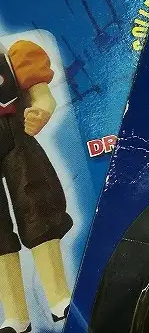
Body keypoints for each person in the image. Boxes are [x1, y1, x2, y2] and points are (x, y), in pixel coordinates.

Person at [0, 41, 71, 333]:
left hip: (17, 135)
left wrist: (41, 111)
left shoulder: (15, 57)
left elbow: (42, 96)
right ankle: (16, 316)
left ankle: (59, 297)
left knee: (37, 204)